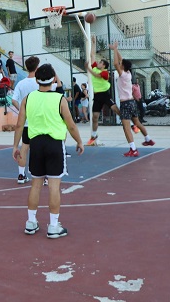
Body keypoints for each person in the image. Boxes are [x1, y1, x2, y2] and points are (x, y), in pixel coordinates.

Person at [12, 63, 83, 239]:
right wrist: (80, 141)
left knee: (36, 184)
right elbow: (71, 125)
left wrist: (16, 146)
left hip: (35, 144)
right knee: (53, 185)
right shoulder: (60, 99)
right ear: (53, 80)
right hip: (54, 144)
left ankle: (31, 222)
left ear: (36, 80)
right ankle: (53, 225)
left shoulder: (28, 99)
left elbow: (20, 124)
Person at [110, 42, 154, 157]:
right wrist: (116, 49)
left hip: (126, 103)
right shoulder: (128, 73)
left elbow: (115, 62)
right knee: (137, 122)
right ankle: (148, 139)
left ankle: (133, 149)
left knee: (126, 127)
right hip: (132, 102)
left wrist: (114, 50)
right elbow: (121, 60)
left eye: (121, 64)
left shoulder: (122, 74)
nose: (119, 64)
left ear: (123, 66)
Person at [84, 36, 121, 146]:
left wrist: (88, 68)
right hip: (97, 96)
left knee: (115, 109)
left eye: (100, 62)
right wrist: (93, 42)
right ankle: (94, 136)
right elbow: (92, 55)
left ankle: (130, 123)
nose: (98, 63)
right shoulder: (95, 67)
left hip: (105, 94)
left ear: (103, 65)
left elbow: (95, 75)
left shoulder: (105, 72)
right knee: (95, 117)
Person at [11, 56, 40, 184]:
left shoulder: (21, 83)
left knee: (24, 148)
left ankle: (21, 175)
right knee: (40, 149)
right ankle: (43, 176)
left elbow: (13, 100)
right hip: (40, 122)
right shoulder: (40, 82)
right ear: (37, 67)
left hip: (27, 123)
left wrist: (22, 110)